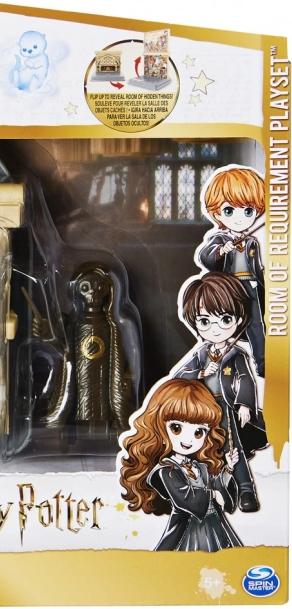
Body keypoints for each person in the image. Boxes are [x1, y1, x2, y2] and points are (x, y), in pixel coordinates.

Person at [174, 272, 267, 512]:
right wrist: (201, 374)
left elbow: (246, 379)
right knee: (201, 448)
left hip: (224, 408)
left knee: (232, 449)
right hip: (201, 410)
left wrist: (244, 404)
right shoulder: (201, 354)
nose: (215, 329)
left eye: (225, 319)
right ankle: (209, 489)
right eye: (205, 321)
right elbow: (179, 377)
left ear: (238, 319)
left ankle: (246, 490)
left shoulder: (236, 353)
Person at [120, 379, 242, 551]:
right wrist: (213, 495)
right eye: (176, 428)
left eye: (198, 432)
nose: (188, 439)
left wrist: (228, 468)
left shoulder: (199, 467)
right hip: (188, 530)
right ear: (158, 427)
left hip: (215, 525)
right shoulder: (165, 470)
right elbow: (186, 499)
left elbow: (216, 484)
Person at [198, 166, 265, 376]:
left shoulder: (251, 241)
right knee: (221, 323)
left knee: (256, 325)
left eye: (248, 211)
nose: (239, 218)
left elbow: (257, 268)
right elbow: (206, 257)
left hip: (249, 287)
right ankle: (212, 359)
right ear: (217, 212)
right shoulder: (219, 239)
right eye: (229, 211)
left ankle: (263, 363)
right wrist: (221, 251)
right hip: (229, 288)